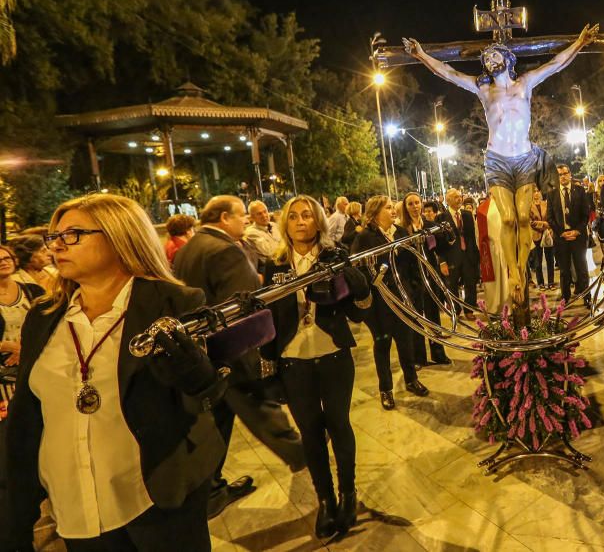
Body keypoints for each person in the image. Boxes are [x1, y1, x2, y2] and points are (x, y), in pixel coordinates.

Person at [5, 193, 228, 551]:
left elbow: (206, 393)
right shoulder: (44, 316)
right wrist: (14, 514)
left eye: (73, 234)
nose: (57, 246)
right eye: (54, 237)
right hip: (75, 507)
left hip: (154, 499)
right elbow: (28, 417)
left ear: (119, 236)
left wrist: (195, 372)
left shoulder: (174, 304)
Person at [403, 24, 599, 303]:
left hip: (524, 159)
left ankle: (521, 267)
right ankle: (515, 273)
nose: (489, 61)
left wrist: (579, 42)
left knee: (522, 218)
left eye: (494, 56)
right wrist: (422, 55)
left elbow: (556, 64)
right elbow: (448, 73)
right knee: (507, 219)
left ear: (508, 59)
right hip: (497, 161)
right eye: (485, 59)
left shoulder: (525, 83)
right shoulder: (484, 90)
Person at [262, 195, 371, 539]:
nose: (299, 221)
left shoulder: (334, 257)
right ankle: (325, 500)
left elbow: (359, 311)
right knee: (310, 432)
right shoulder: (276, 264)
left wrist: (359, 284)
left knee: (338, 424)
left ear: (318, 221)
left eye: (307, 215)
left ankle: (348, 493)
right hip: (293, 360)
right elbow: (268, 317)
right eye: (292, 216)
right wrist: (269, 363)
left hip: (333, 355)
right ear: (285, 224)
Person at [171, 196, 269, 517]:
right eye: (242, 216)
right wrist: (251, 361)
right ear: (225, 217)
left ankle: (208, 485)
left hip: (200, 352)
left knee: (210, 422)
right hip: (224, 354)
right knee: (221, 423)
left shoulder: (190, 247)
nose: (246, 222)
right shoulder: (225, 249)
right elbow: (243, 307)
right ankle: (212, 488)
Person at [351, 195, 428, 410]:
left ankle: (411, 379)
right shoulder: (365, 237)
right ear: (375, 213)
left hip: (403, 298)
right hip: (380, 303)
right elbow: (357, 270)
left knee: (406, 340)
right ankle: (386, 389)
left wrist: (414, 289)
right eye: (387, 208)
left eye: (393, 207)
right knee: (383, 344)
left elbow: (413, 263)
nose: (393, 210)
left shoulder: (401, 233)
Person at [396, 192, 451, 366]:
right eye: (410, 204)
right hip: (413, 278)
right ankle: (419, 357)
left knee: (434, 315)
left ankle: (438, 352)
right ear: (405, 208)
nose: (414, 207)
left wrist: (443, 234)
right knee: (417, 317)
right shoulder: (402, 229)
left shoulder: (429, 225)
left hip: (430, 275)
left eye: (417, 203)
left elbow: (440, 248)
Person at [0, 243, 44, 405]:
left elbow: (50, 326)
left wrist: (25, 347)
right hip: (4, 378)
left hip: (35, 367)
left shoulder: (34, 291)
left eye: (7, 258)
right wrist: (7, 346)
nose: (4, 262)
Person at [546, 165, 591, 307]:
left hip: (578, 236)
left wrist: (577, 231)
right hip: (561, 238)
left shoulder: (579, 190)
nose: (563, 176)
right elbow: (550, 217)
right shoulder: (552, 194)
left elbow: (586, 214)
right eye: (560, 174)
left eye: (565, 173)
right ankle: (565, 297)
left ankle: (586, 296)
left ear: (570, 174)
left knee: (582, 269)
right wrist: (561, 233)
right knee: (564, 270)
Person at [440, 188, 479, 320]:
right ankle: (455, 310)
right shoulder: (441, 217)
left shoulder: (467, 215)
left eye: (460, 196)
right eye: (456, 197)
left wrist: (475, 255)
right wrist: (442, 261)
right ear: (448, 200)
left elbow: (472, 237)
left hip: (467, 255)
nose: (459, 199)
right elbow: (440, 243)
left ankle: (469, 309)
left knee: (470, 282)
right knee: (452, 285)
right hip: (452, 257)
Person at [528, 190, 554, 290]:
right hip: (536, 235)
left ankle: (551, 282)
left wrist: (549, 227)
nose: (536, 193)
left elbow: (551, 217)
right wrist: (543, 224)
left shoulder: (546, 204)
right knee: (537, 261)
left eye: (538, 191)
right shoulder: (528, 206)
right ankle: (541, 283)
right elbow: (530, 222)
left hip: (547, 234)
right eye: (534, 191)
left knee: (550, 259)